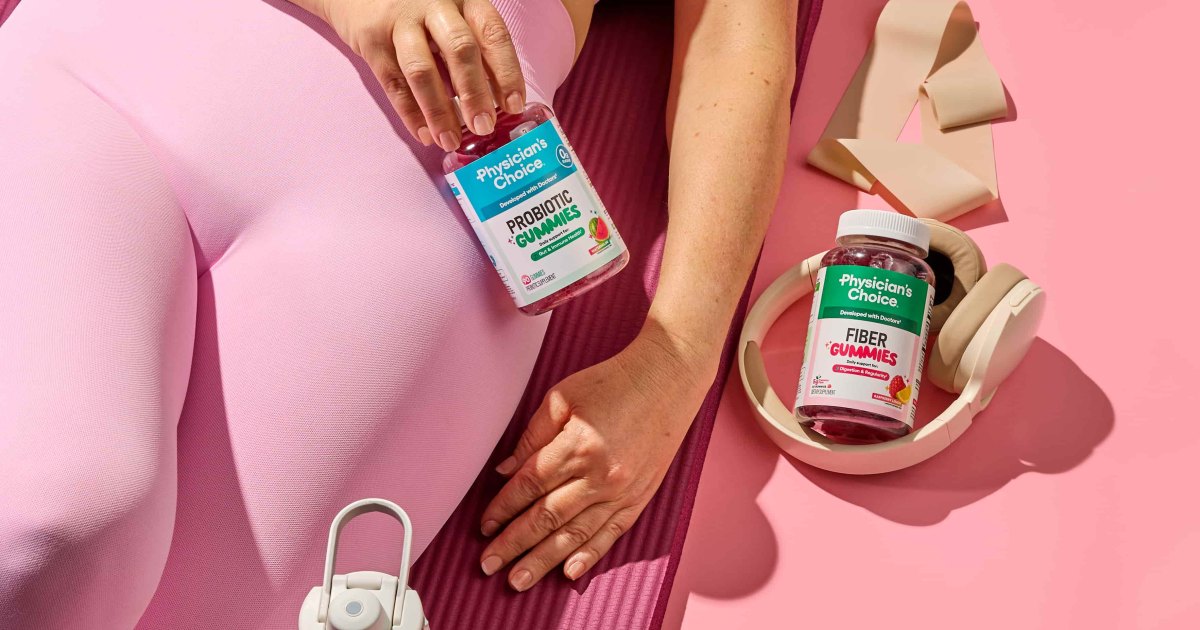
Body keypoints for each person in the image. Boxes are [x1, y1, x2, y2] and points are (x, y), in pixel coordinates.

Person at [0, 0, 798, 626]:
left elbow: (736, 43)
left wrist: (676, 357)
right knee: (47, 518)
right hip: (112, 64)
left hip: (437, 177)